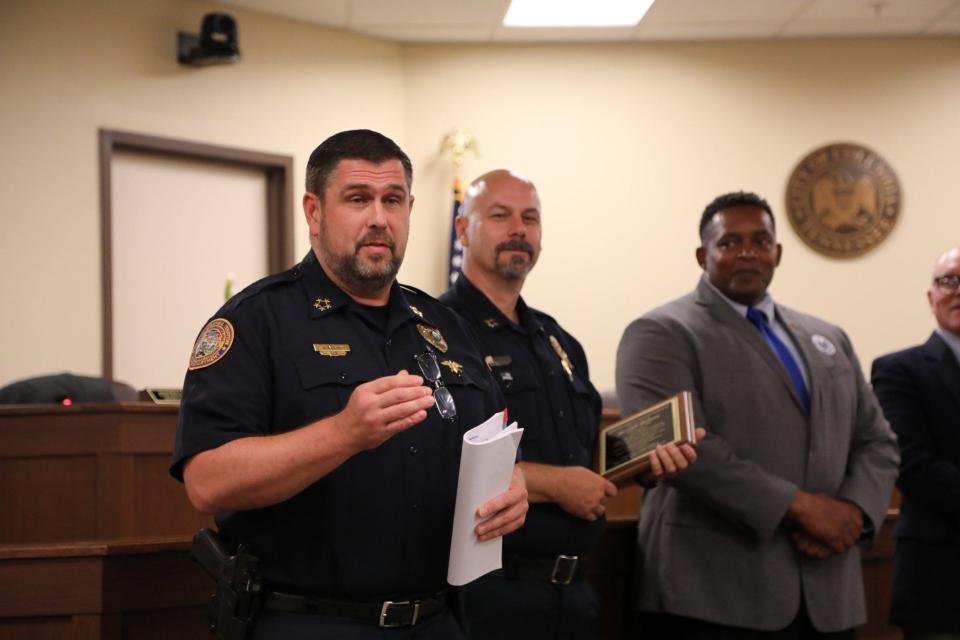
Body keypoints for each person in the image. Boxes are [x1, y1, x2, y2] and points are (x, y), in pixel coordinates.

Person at [170, 130, 528, 639]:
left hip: (439, 619)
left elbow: (497, 448)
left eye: (393, 200)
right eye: (358, 199)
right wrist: (342, 434)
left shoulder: (447, 326)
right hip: (312, 621)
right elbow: (207, 481)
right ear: (314, 212)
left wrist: (515, 490)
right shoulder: (256, 323)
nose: (379, 218)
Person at [615, 191, 899, 638]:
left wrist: (853, 512)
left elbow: (877, 440)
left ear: (777, 252)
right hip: (712, 594)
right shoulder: (661, 332)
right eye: (729, 242)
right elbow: (680, 450)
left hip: (828, 592)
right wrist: (803, 509)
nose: (747, 252)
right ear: (701, 254)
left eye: (761, 241)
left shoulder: (829, 336)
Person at [440, 169, 699, 640]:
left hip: (575, 592)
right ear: (463, 230)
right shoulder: (439, 333)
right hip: (489, 598)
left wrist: (645, 460)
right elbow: (442, 457)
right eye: (500, 216)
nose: (519, 229)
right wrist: (557, 485)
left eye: (531, 218)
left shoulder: (557, 341)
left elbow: (584, 453)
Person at [871, 246, 960, 640]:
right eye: (949, 281)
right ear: (931, 297)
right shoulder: (898, 370)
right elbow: (910, 464)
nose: (958, 291)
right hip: (941, 581)